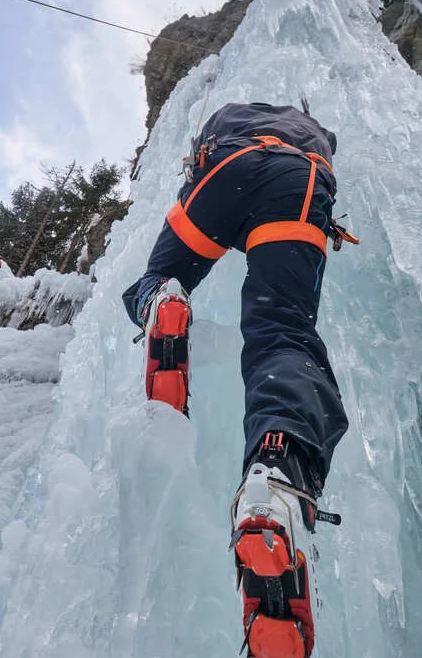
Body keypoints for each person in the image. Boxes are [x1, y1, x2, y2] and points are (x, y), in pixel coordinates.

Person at [121, 102, 356, 658]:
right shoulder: (314, 131)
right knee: (282, 329)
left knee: (156, 277)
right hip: (298, 179)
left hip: (223, 170)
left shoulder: (232, 113)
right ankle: (276, 477)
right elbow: (330, 144)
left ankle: (161, 305)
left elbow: (202, 145)